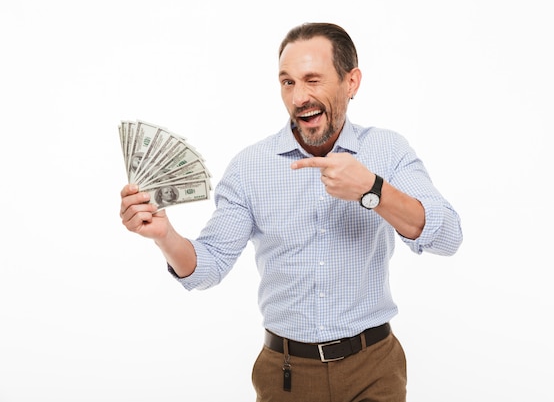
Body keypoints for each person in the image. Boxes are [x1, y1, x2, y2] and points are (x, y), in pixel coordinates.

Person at [120, 22, 463, 402]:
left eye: (313, 80)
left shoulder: (387, 150)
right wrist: (164, 236)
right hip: (286, 374)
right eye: (288, 82)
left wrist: (372, 190)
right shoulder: (250, 167)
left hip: (374, 368)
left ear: (351, 83)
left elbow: (447, 237)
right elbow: (208, 267)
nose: (299, 97)